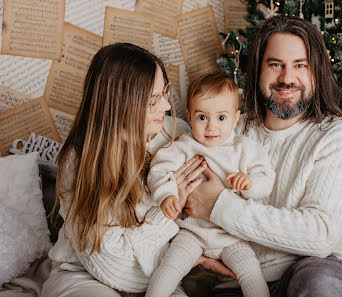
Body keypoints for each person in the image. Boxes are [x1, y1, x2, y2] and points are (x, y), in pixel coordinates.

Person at [183, 15, 342, 297]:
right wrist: (199, 253)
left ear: (316, 72)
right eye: (275, 65)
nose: (286, 79)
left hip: (316, 269)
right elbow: (185, 196)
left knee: (321, 285)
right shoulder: (228, 129)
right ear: (258, 70)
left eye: (300, 66)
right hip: (238, 274)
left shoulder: (339, 137)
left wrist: (218, 205)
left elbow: (319, 236)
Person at [41, 43, 232, 297]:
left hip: (160, 275)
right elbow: (111, 266)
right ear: (123, 104)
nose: (166, 106)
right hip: (85, 276)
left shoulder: (179, 135)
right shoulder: (80, 162)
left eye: (164, 92)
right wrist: (167, 214)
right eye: (154, 100)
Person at [146, 71, 275, 297]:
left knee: (251, 272)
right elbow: (159, 169)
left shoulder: (244, 149)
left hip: (231, 235)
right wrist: (166, 195)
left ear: (236, 118)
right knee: (169, 268)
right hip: (193, 231)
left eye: (221, 118)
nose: (211, 127)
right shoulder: (184, 146)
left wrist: (250, 184)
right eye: (202, 117)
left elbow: (266, 179)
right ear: (189, 115)